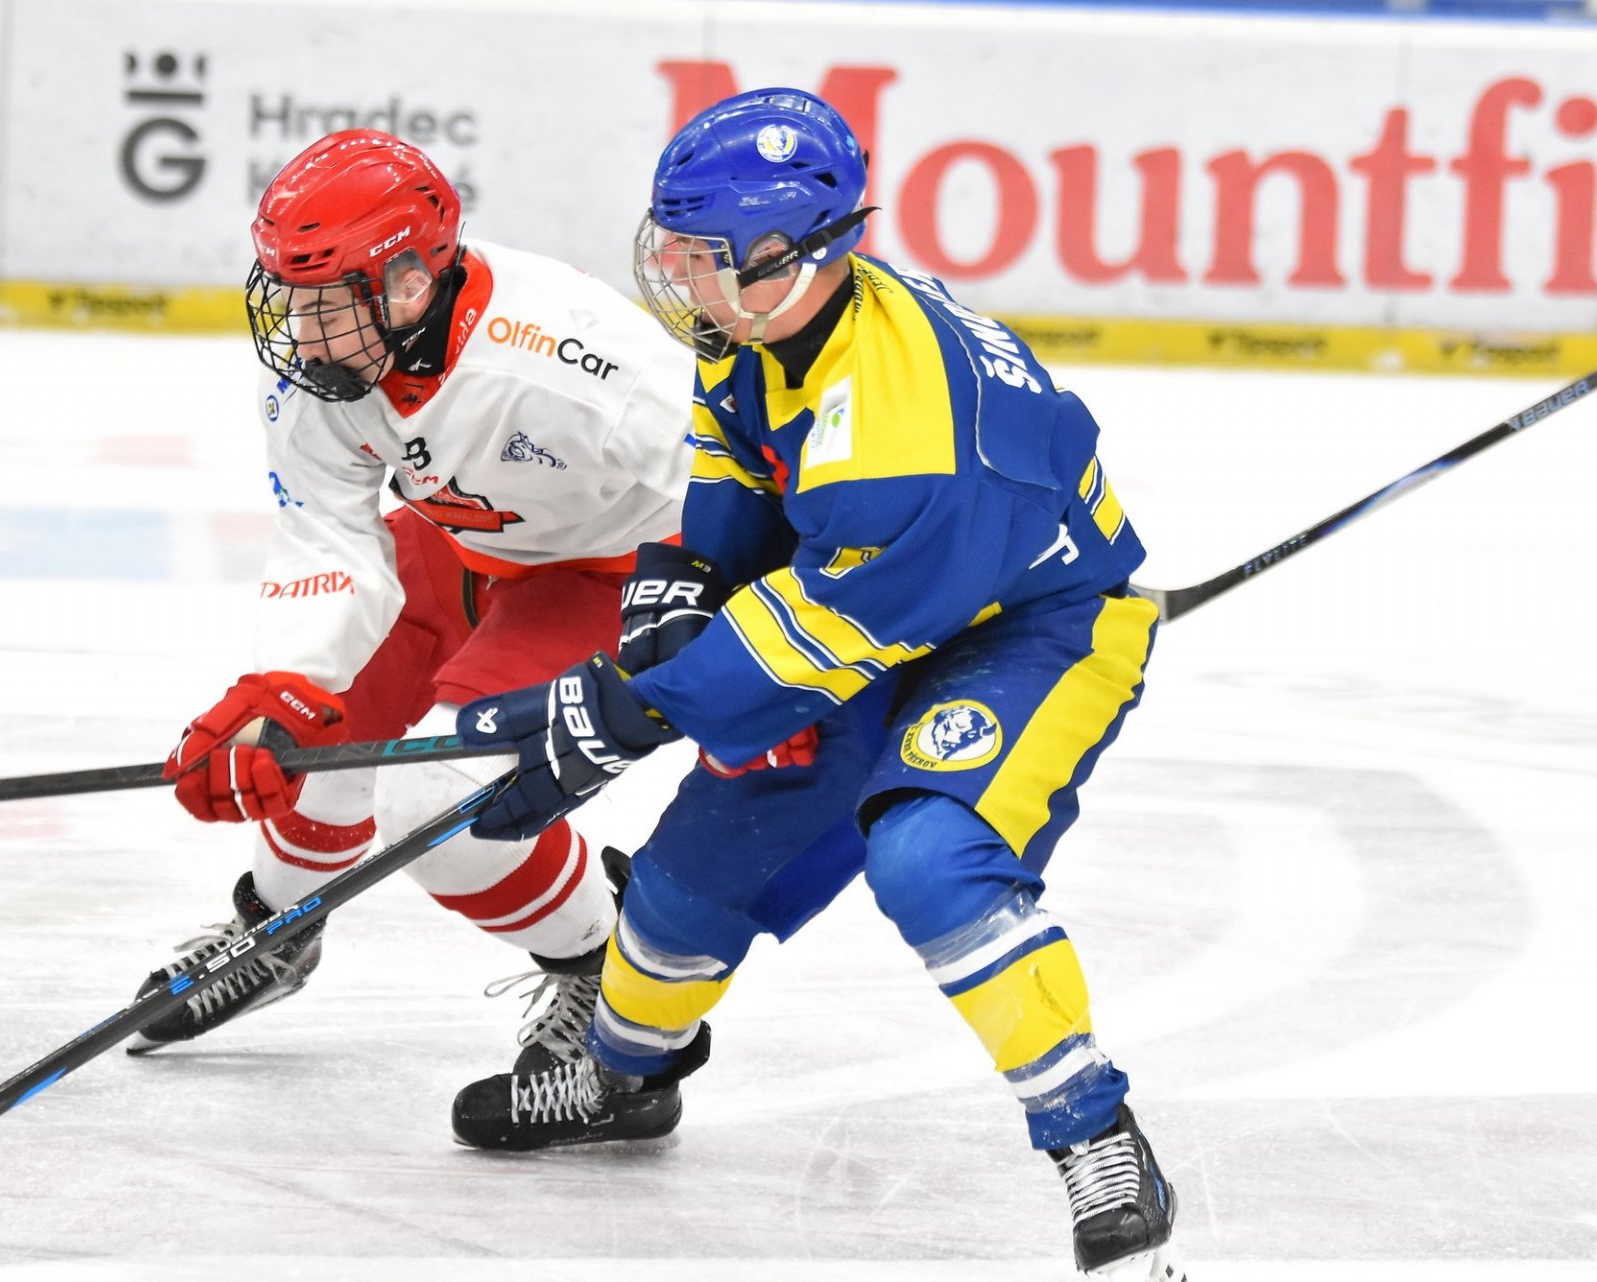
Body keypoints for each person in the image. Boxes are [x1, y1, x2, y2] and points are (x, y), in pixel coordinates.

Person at [446, 90, 1185, 1280]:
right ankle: (625, 1082)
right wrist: (686, 582)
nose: (679, 274)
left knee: (931, 857)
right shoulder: (764, 324)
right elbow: (739, 461)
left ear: (792, 252)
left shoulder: (903, 429)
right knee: (682, 891)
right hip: (874, 605)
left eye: (705, 252)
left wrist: (632, 707)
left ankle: (1095, 1134)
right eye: (676, 245)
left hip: (1030, 630)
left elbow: (820, 633)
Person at [134, 129, 695, 1076]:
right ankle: (279, 926)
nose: (301, 331)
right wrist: (285, 685)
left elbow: (735, 487)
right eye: (292, 298)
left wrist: (770, 658)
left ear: (407, 284)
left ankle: (606, 975)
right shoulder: (328, 365)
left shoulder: (576, 358)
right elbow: (329, 533)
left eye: (326, 302)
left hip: (608, 573)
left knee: (442, 813)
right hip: (463, 548)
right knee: (317, 733)